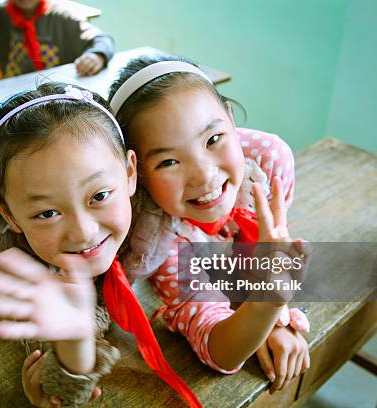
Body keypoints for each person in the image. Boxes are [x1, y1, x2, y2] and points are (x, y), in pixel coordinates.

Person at [0, 82, 201, 407]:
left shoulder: (157, 201)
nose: (83, 232)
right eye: (47, 213)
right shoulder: (15, 267)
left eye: (99, 196)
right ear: (8, 213)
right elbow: (62, 388)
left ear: (131, 172)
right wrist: (71, 355)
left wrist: (271, 310)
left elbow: (228, 223)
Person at [109, 55, 312, 393]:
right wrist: (268, 304)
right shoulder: (158, 245)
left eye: (213, 138)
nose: (204, 175)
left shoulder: (267, 162)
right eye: (169, 161)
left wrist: (275, 317)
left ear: (230, 120)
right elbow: (218, 350)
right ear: (137, 173)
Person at [0, 0, 114, 77]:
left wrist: (96, 55)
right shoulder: (0, 15)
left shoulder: (62, 16)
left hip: (58, 97)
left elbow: (102, 40)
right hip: (16, 96)